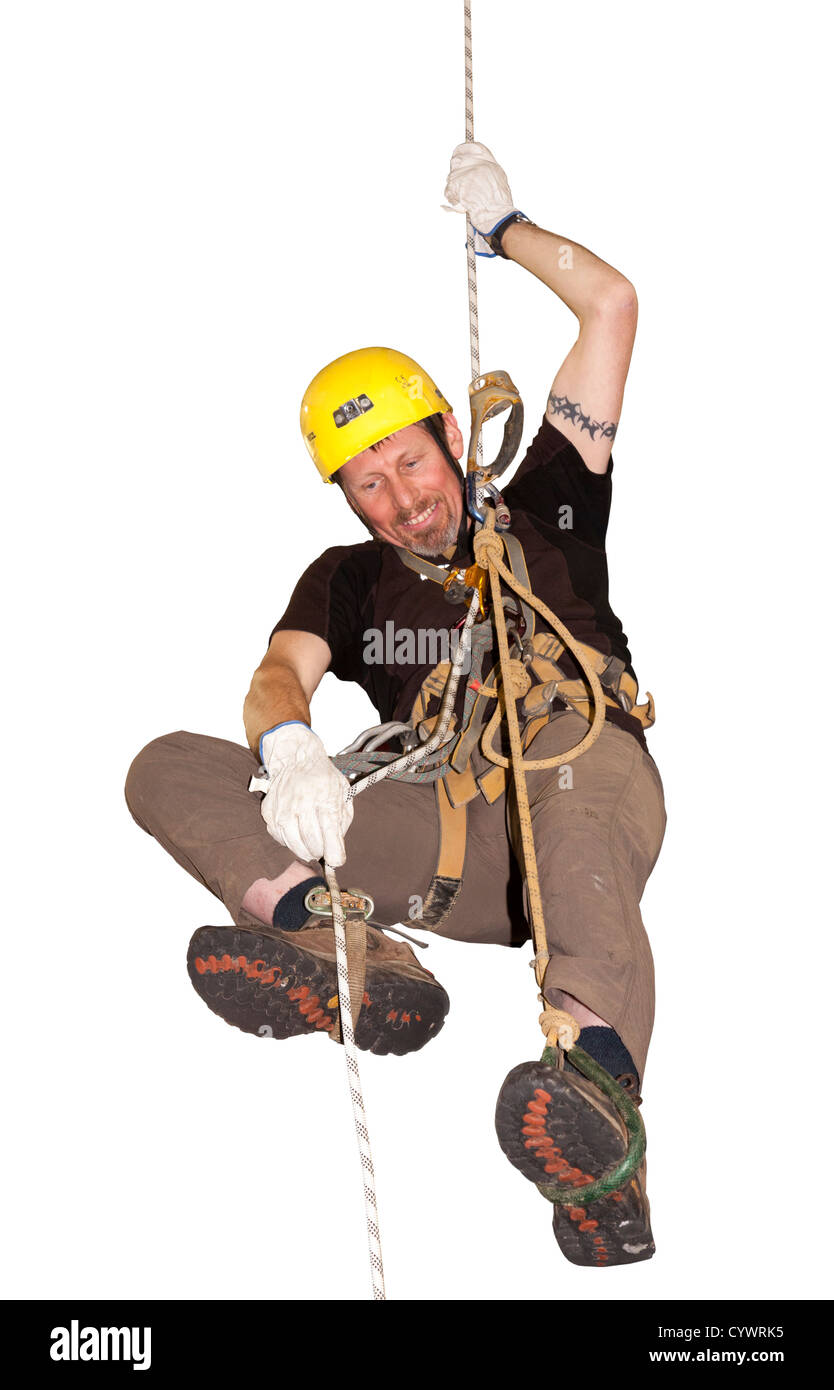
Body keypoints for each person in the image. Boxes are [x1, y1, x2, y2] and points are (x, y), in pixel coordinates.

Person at [125, 142, 666, 1267]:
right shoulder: (349, 576)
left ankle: (598, 1117)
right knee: (167, 766)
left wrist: (505, 230)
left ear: (453, 443)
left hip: (580, 770)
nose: (401, 498)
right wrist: (289, 747)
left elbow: (610, 306)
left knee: (564, 788)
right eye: (368, 482)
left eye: (410, 465)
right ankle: (348, 953)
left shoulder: (546, 504)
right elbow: (279, 673)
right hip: (451, 829)